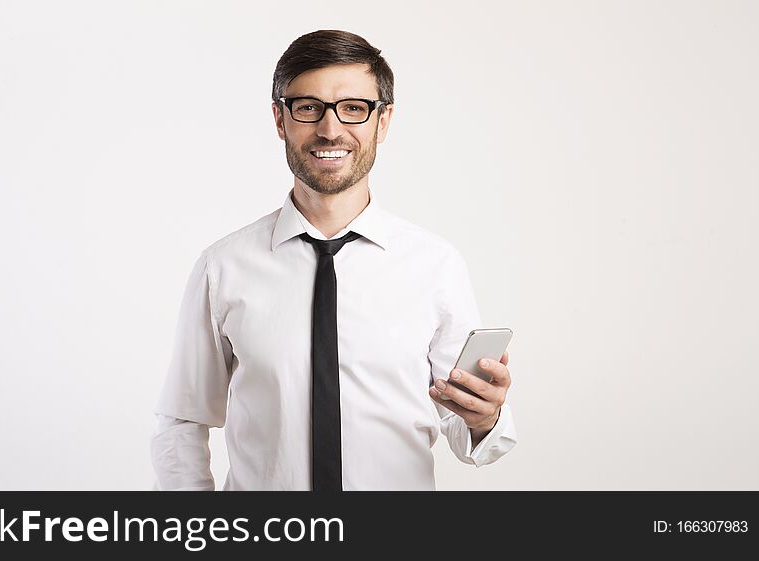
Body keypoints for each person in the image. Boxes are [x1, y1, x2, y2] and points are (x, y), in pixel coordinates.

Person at [150, 29, 517, 491]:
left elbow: (469, 436)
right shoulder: (222, 267)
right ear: (280, 119)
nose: (330, 128)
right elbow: (183, 420)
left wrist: (486, 418)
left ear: (382, 123)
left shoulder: (435, 266)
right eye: (308, 107)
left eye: (353, 108)